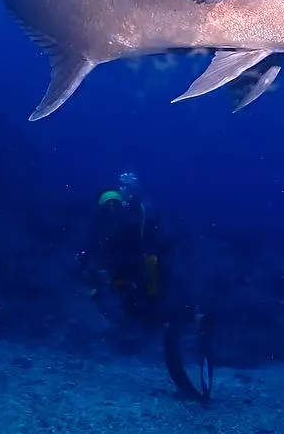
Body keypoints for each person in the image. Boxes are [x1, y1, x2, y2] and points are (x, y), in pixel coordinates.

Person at [76, 171, 215, 400]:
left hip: (134, 280)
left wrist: (91, 274)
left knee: (145, 319)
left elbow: (102, 248)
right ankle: (195, 318)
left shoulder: (114, 222)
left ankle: (193, 319)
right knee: (161, 318)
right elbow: (162, 244)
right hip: (150, 274)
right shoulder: (138, 215)